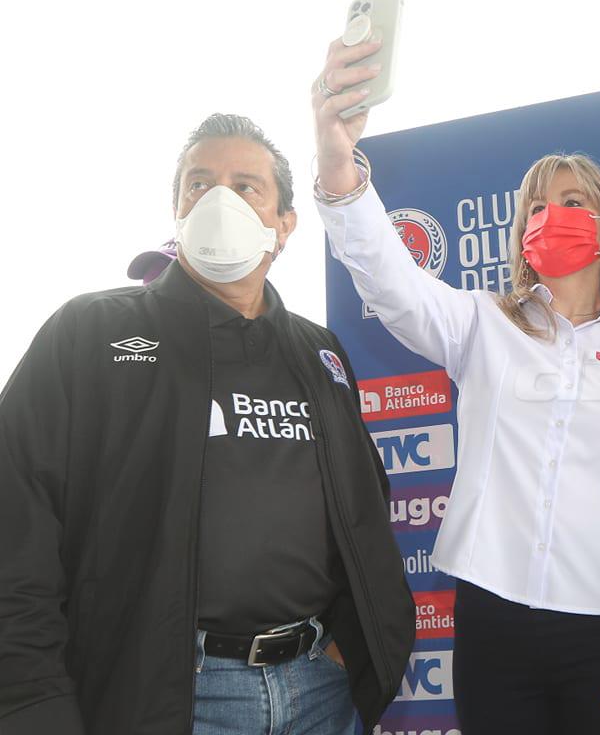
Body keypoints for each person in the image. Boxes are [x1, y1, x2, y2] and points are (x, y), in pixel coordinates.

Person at [312, 38, 600, 735]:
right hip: (494, 623)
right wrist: (338, 164)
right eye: (535, 206)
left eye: (570, 200)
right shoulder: (480, 323)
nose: (549, 215)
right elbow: (389, 279)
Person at [0, 114, 415, 735]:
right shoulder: (90, 332)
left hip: (319, 690)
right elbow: (16, 518)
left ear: (283, 226)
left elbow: (362, 506)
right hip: (167, 697)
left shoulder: (318, 353)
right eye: (200, 183)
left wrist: (356, 648)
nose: (219, 198)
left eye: (246, 185)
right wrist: (31, 701)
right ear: (177, 210)